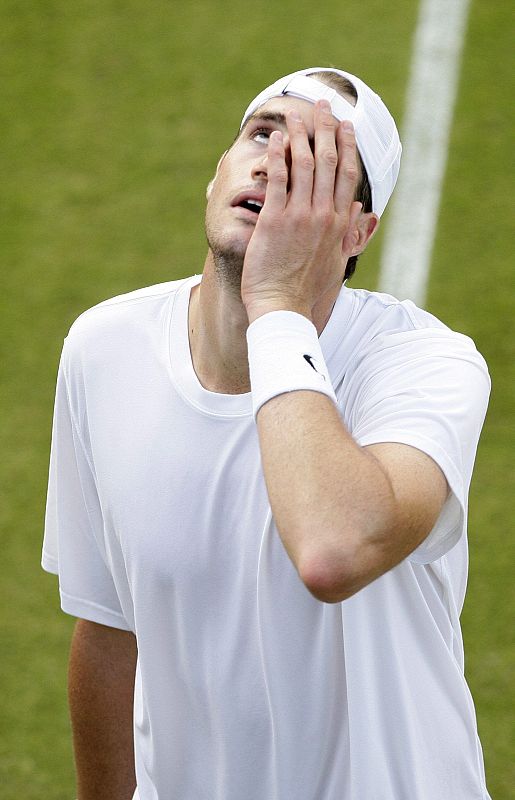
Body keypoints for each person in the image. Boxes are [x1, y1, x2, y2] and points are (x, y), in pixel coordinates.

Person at [42, 67, 492, 800]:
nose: (276, 161)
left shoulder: (424, 363)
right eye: (263, 133)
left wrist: (276, 303)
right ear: (217, 175)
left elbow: (332, 549)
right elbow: (108, 630)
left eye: (319, 163)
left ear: (355, 231)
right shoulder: (103, 347)